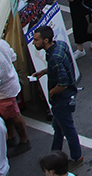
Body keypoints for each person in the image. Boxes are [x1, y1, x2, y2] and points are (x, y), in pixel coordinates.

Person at [31, 25, 83, 168]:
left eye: (36, 40)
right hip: (65, 97)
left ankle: (77, 157)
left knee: (67, 129)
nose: (34, 43)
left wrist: (51, 92)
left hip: (62, 100)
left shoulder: (54, 57)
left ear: (46, 40)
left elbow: (63, 83)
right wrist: (44, 72)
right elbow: (62, 68)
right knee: (58, 127)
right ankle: (55, 154)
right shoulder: (60, 45)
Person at [0, 37, 29, 153]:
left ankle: (24, 141)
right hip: (12, 82)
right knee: (8, 115)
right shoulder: (1, 42)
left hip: (4, 92)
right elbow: (13, 56)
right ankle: (11, 136)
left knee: (14, 115)